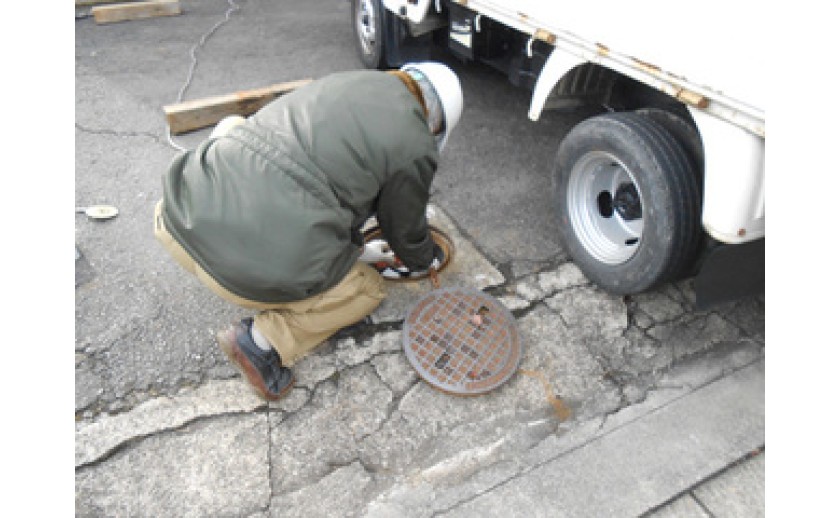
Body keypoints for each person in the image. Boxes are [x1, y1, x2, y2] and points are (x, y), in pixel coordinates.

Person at [154, 62, 463, 401]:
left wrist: (357, 249)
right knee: (365, 290)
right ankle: (261, 341)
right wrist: (424, 258)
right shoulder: (415, 143)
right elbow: (404, 227)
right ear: (437, 122)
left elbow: (311, 177)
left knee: (238, 129)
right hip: (236, 272)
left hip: (177, 217)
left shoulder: (345, 80)